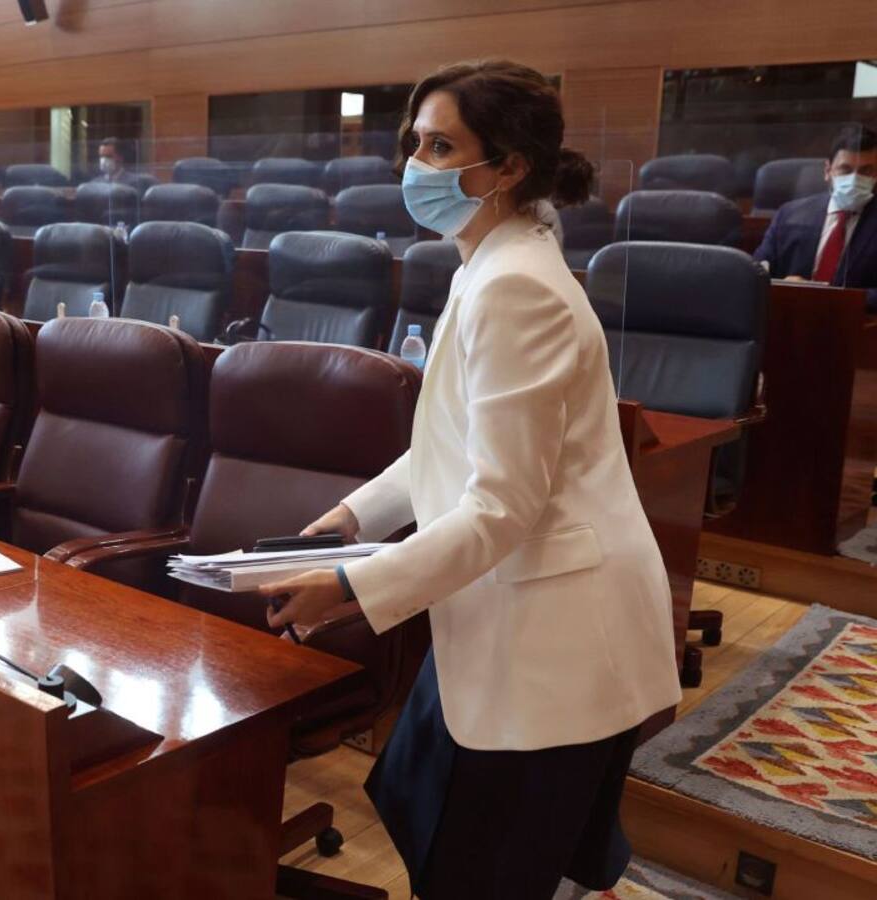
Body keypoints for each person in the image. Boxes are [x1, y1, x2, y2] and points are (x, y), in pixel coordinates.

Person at [257, 60, 682, 900]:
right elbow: (454, 444)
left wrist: (350, 587)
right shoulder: (490, 264)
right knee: (427, 816)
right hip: (503, 611)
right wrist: (355, 517)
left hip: (554, 634)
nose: (416, 164)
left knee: (481, 871)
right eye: (415, 142)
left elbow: (501, 505)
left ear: (509, 166)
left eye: (441, 146)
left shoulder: (515, 288)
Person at [754, 124, 877, 312]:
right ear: (828, 171)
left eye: (866, 171)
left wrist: (827, 298)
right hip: (789, 317)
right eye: (845, 170)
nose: (854, 179)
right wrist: (785, 287)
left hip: (855, 322)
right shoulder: (789, 215)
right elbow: (756, 273)